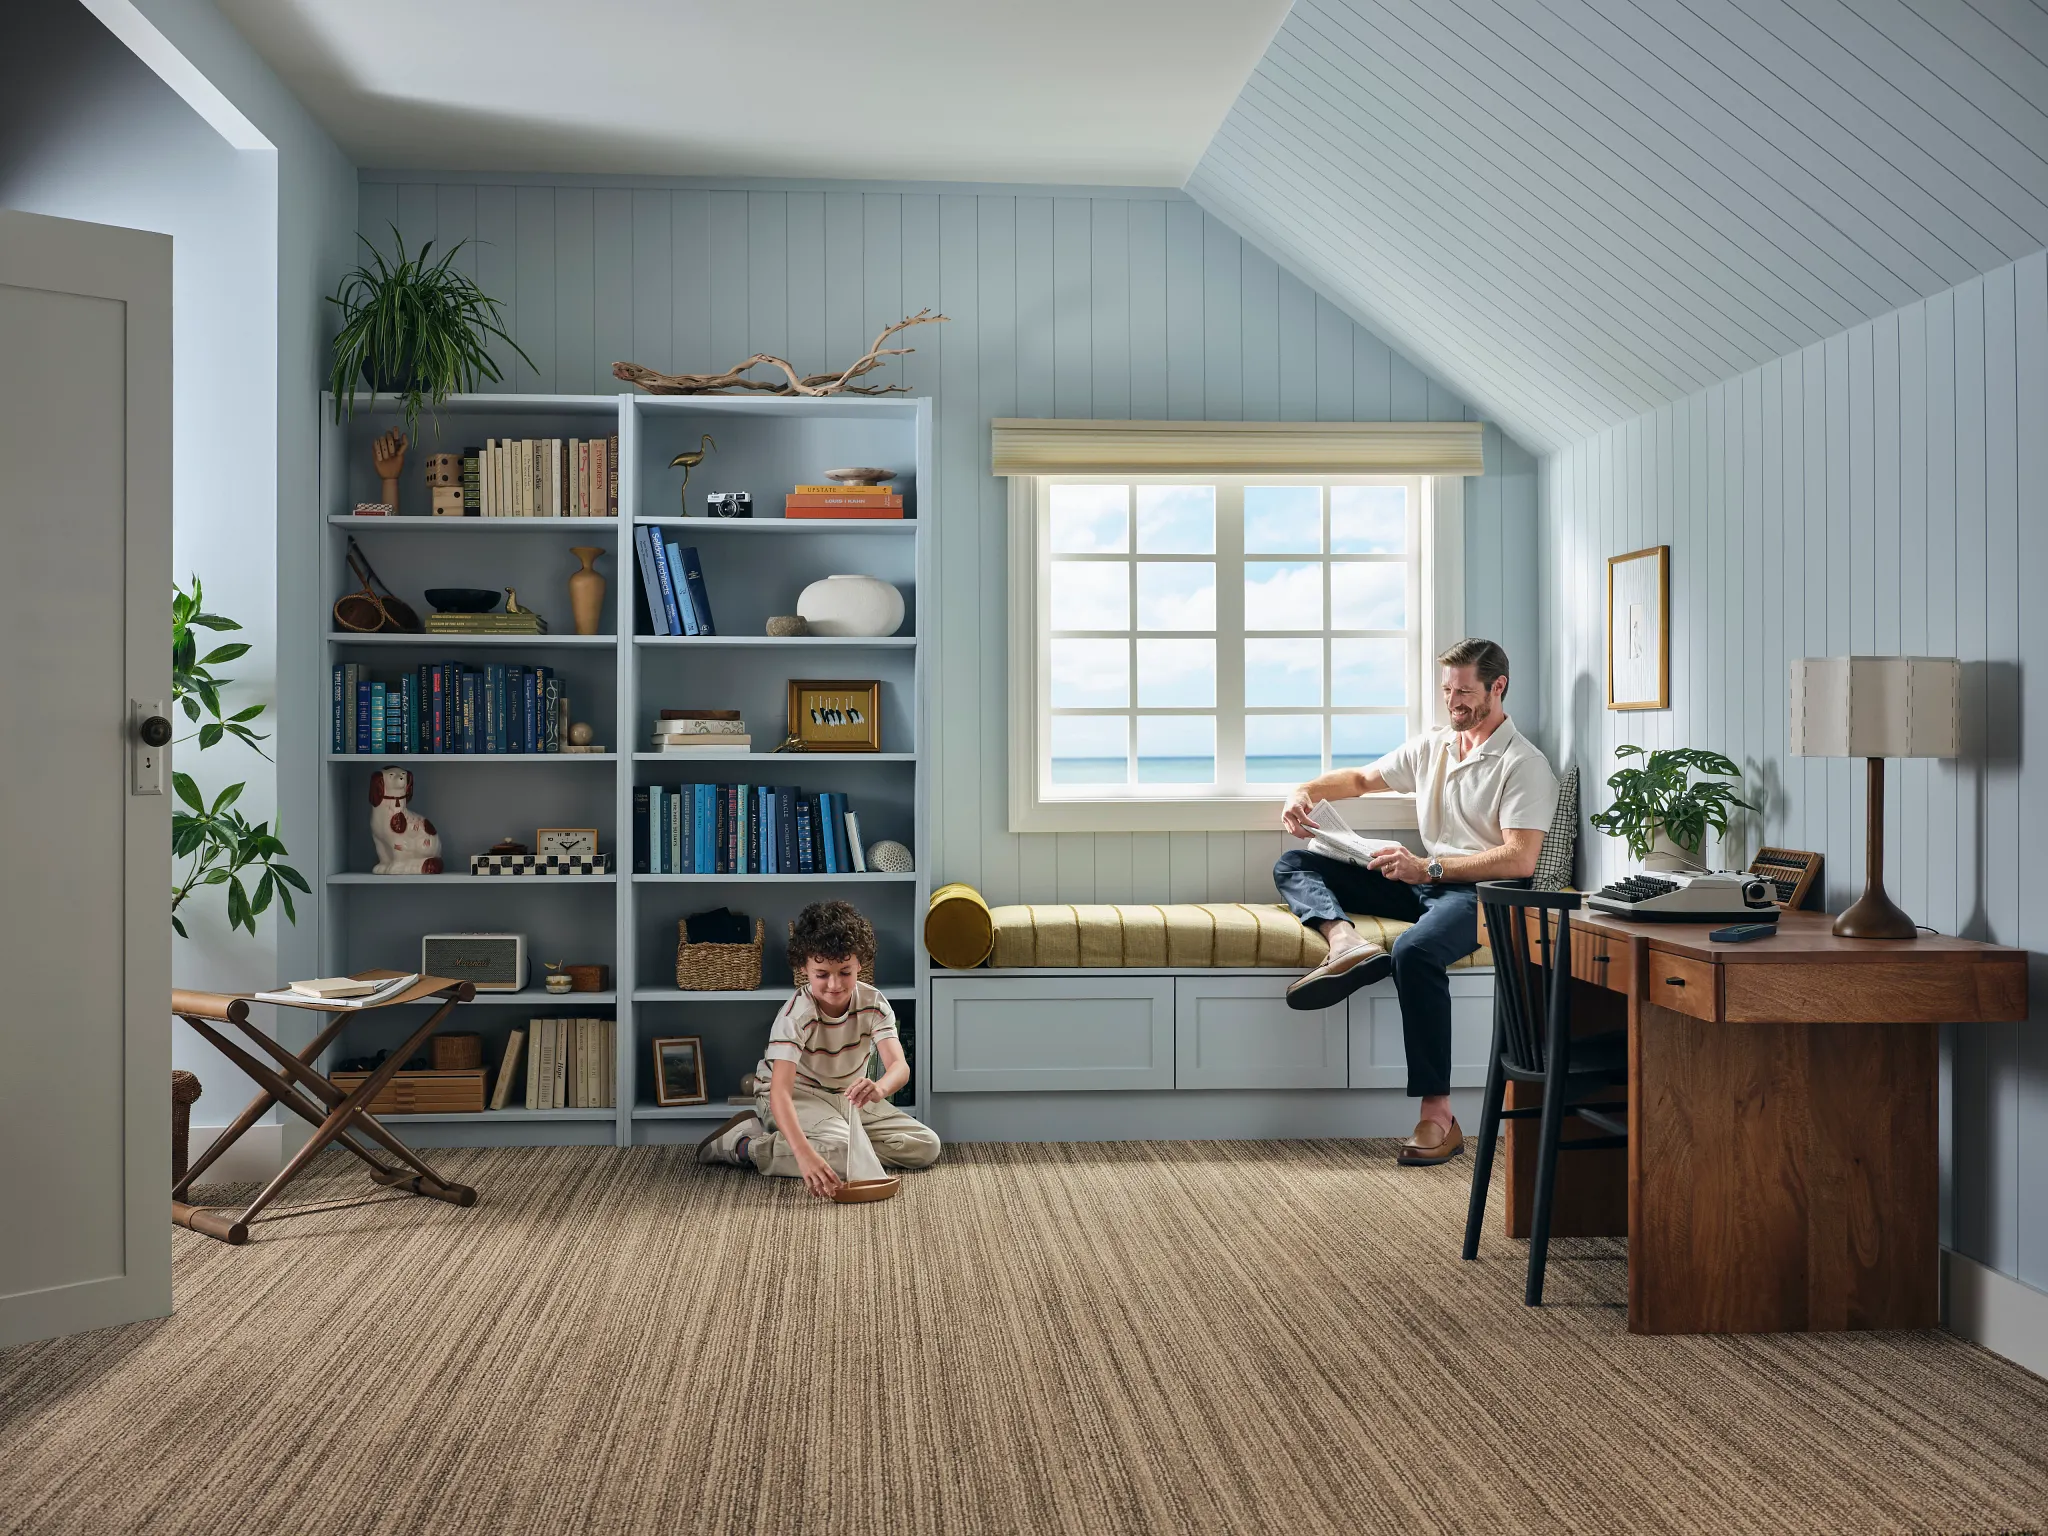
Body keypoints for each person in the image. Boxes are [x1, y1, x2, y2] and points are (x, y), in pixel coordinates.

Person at [1274, 638, 1558, 1168]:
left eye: (1465, 691)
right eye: (1447, 690)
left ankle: (1438, 1115)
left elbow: (1520, 859)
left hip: (1484, 896)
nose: (1453, 701)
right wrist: (1303, 792)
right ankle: (1345, 942)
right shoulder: (1435, 746)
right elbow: (1360, 780)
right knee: (1295, 863)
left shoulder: (1524, 764)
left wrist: (1427, 867)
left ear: (1498, 687)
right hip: (1426, 880)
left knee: (1413, 951)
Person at [697, 899, 941, 1195]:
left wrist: (879, 1089)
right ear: (804, 967)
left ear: (860, 963)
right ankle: (745, 1145)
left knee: (925, 1146)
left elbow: (899, 1068)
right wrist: (803, 1155)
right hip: (795, 1095)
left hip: (847, 1098)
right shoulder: (796, 1015)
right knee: (841, 1150)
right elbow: (780, 1093)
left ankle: (843, 1148)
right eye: (822, 974)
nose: (834, 985)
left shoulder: (874, 1003)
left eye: (845, 972)